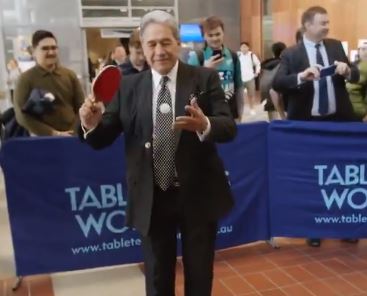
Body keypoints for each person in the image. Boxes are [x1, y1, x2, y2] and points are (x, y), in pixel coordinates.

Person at [78, 10, 236, 296]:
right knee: (157, 278)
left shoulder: (205, 78)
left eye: (166, 42)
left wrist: (206, 124)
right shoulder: (128, 87)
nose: (159, 51)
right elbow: (103, 137)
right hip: (152, 199)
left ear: (178, 43)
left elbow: (229, 127)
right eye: (151, 44)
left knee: (200, 276)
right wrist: (90, 125)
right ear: (142, 47)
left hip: (197, 195)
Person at [273, 6, 359, 247]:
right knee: (313, 177)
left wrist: (347, 70)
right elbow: (278, 83)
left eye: (328, 22)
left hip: (338, 123)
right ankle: (314, 228)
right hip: (308, 126)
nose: (327, 27)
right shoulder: (292, 54)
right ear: (307, 26)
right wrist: (301, 77)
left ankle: (345, 227)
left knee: (340, 177)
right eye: (322, 23)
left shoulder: (335, 46)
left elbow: (356, 77)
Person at [13, 30, 84, 136]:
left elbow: (81, 107)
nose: (51, 52)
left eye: (54, 48)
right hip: (42, 139)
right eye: (45, 48)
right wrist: (52, 133)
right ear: (33, 51)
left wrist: (73, 131)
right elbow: (21, 115)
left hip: (71, 136)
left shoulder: (69, 75)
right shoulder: (25, 79)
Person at [187, 16, 243, 121]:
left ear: (223, 34)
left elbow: (239, 86)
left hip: (231, 113)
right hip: (207, 116)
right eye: (210, 35)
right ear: (204, 36)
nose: (214, 38)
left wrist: (240, 114)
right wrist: (205, 70)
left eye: (218, 34)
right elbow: (189, 88)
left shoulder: (233, 56)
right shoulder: (196, 57)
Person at [259, 42, 287, 120]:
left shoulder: (265, 64)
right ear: (283, 51)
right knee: (283, 121)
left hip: (267, 94)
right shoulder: (284, 63)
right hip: (280, 97)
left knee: (273, 122)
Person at [239, 42, 261, 116]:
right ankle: (240, 110)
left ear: (248, 48)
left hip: (250, 78)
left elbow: (258, 64)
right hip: (240, 79)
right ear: (240, 48)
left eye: (245, 47)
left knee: (251, 95)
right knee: (240, 96)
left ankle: (252, 108)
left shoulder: (252, 55)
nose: (244, 48)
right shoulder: (238, 55)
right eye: (242, 47)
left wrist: (257, 72)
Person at [347, 42, 367, 121]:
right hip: (348, 112)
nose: (366, 52)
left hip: (363, 114)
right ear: (358, 51)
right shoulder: (351, 66)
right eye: (363, 49)